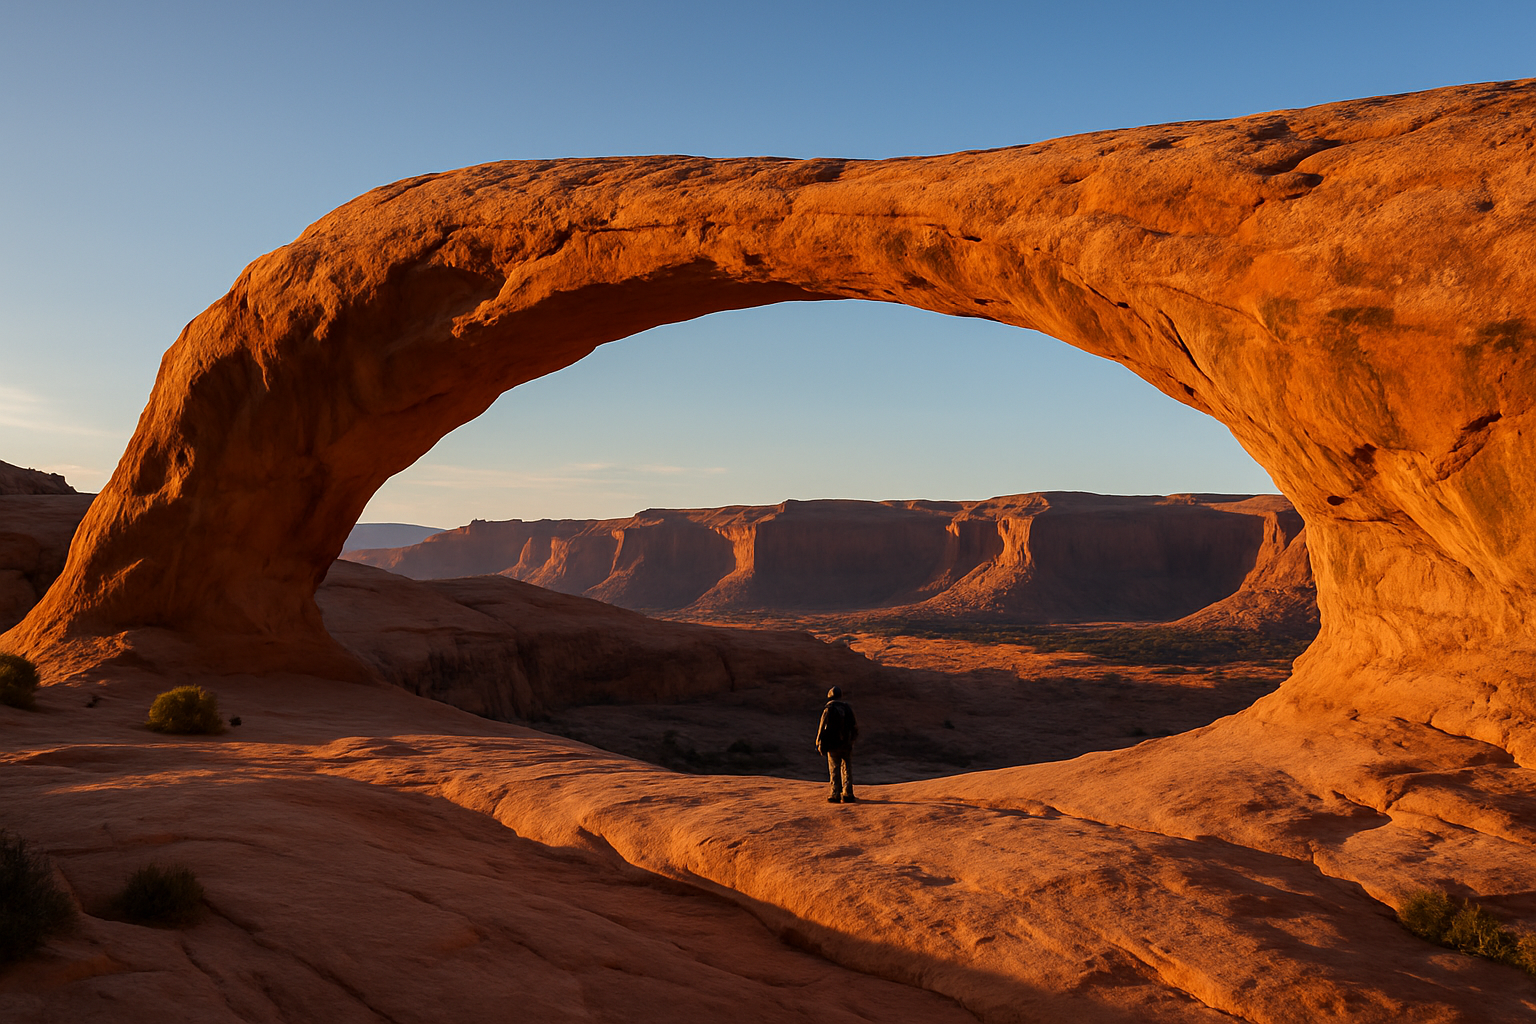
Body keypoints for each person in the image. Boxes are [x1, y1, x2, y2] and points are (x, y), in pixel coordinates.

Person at [815, 686, 859, 803]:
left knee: (834, 768)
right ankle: (848, 794)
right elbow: (854, 726)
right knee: (847, 768)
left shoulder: (829, 709)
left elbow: (822, 727)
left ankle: (835, 794)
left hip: (833, 744)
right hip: (846, 744)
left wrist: (819, 742)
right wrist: (852, 740)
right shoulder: (847, 708)